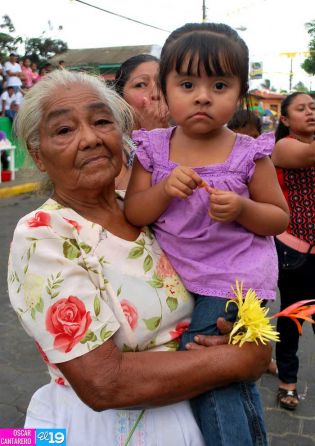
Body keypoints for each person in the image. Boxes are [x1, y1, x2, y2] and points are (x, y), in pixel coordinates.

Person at [7, 69, 271, 446]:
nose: (90, 138)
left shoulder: (143, 212)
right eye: (64, 130)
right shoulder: (44, 234)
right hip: (107, 431)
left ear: (122, 136)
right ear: (39, 155)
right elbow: (104, 383)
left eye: (102, 122)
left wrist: (236, 330)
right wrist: (240, 360)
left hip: (199, 413)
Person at [124, 22, 289, 446]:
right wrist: (163, 190)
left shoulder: (248, 153)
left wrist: (242, 208)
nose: (202, 95)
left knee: (209, 372)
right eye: (187, 83)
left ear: (239, 92)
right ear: (163, 90)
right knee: (224, 374)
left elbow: (277, 218)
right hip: (174, 278)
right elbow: (135, 212)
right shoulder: (153, 150)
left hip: (230, 278)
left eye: (219, 84)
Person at [271, 92, 315, 410]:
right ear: (285, 119)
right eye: (301, 109)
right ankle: (288, 382)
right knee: (294, 317)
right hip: (295, 249)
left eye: (314, 107)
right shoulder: (284, 146)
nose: (310, 112)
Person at [114, 53, 170, 189]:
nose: (156, 93)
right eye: (140, 85)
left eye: (161, 83)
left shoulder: (187, 136)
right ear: (121, 100)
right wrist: (151, 138)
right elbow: (121, 196)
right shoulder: (116, 145)